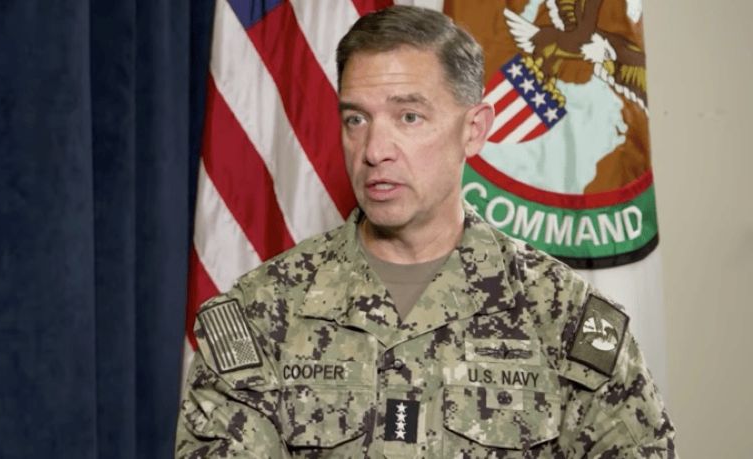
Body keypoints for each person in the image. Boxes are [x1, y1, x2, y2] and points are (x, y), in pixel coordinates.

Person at [175, 5, 676, 458]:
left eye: (409, 116)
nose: (375, 150)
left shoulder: (563, 317)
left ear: (474, 130)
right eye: (356, 119)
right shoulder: (260, 314)